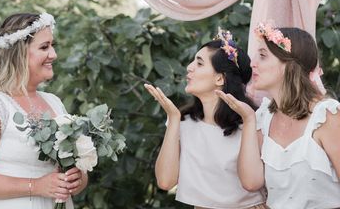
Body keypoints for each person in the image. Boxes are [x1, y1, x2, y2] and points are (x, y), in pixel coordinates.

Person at [0, 12, 88, 209]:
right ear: (19, 53)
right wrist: (36, 186)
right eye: (44, 47)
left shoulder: (55, 103)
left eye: (52, 45)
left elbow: (77, 174)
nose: (53, 54)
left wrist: (77, 178)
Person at [218, 24, 340, 208]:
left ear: (288, 65)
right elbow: (251, 182)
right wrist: (249, 120)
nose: (252, 63)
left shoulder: (326, 116)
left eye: (263, 56)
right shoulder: (263, 118)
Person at [145, 29, 266, 209]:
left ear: (219, 78)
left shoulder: (253, 122)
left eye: (199, 63)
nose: (189, 67)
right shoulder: (183, 123)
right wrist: (173, 119)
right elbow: (165, 181)